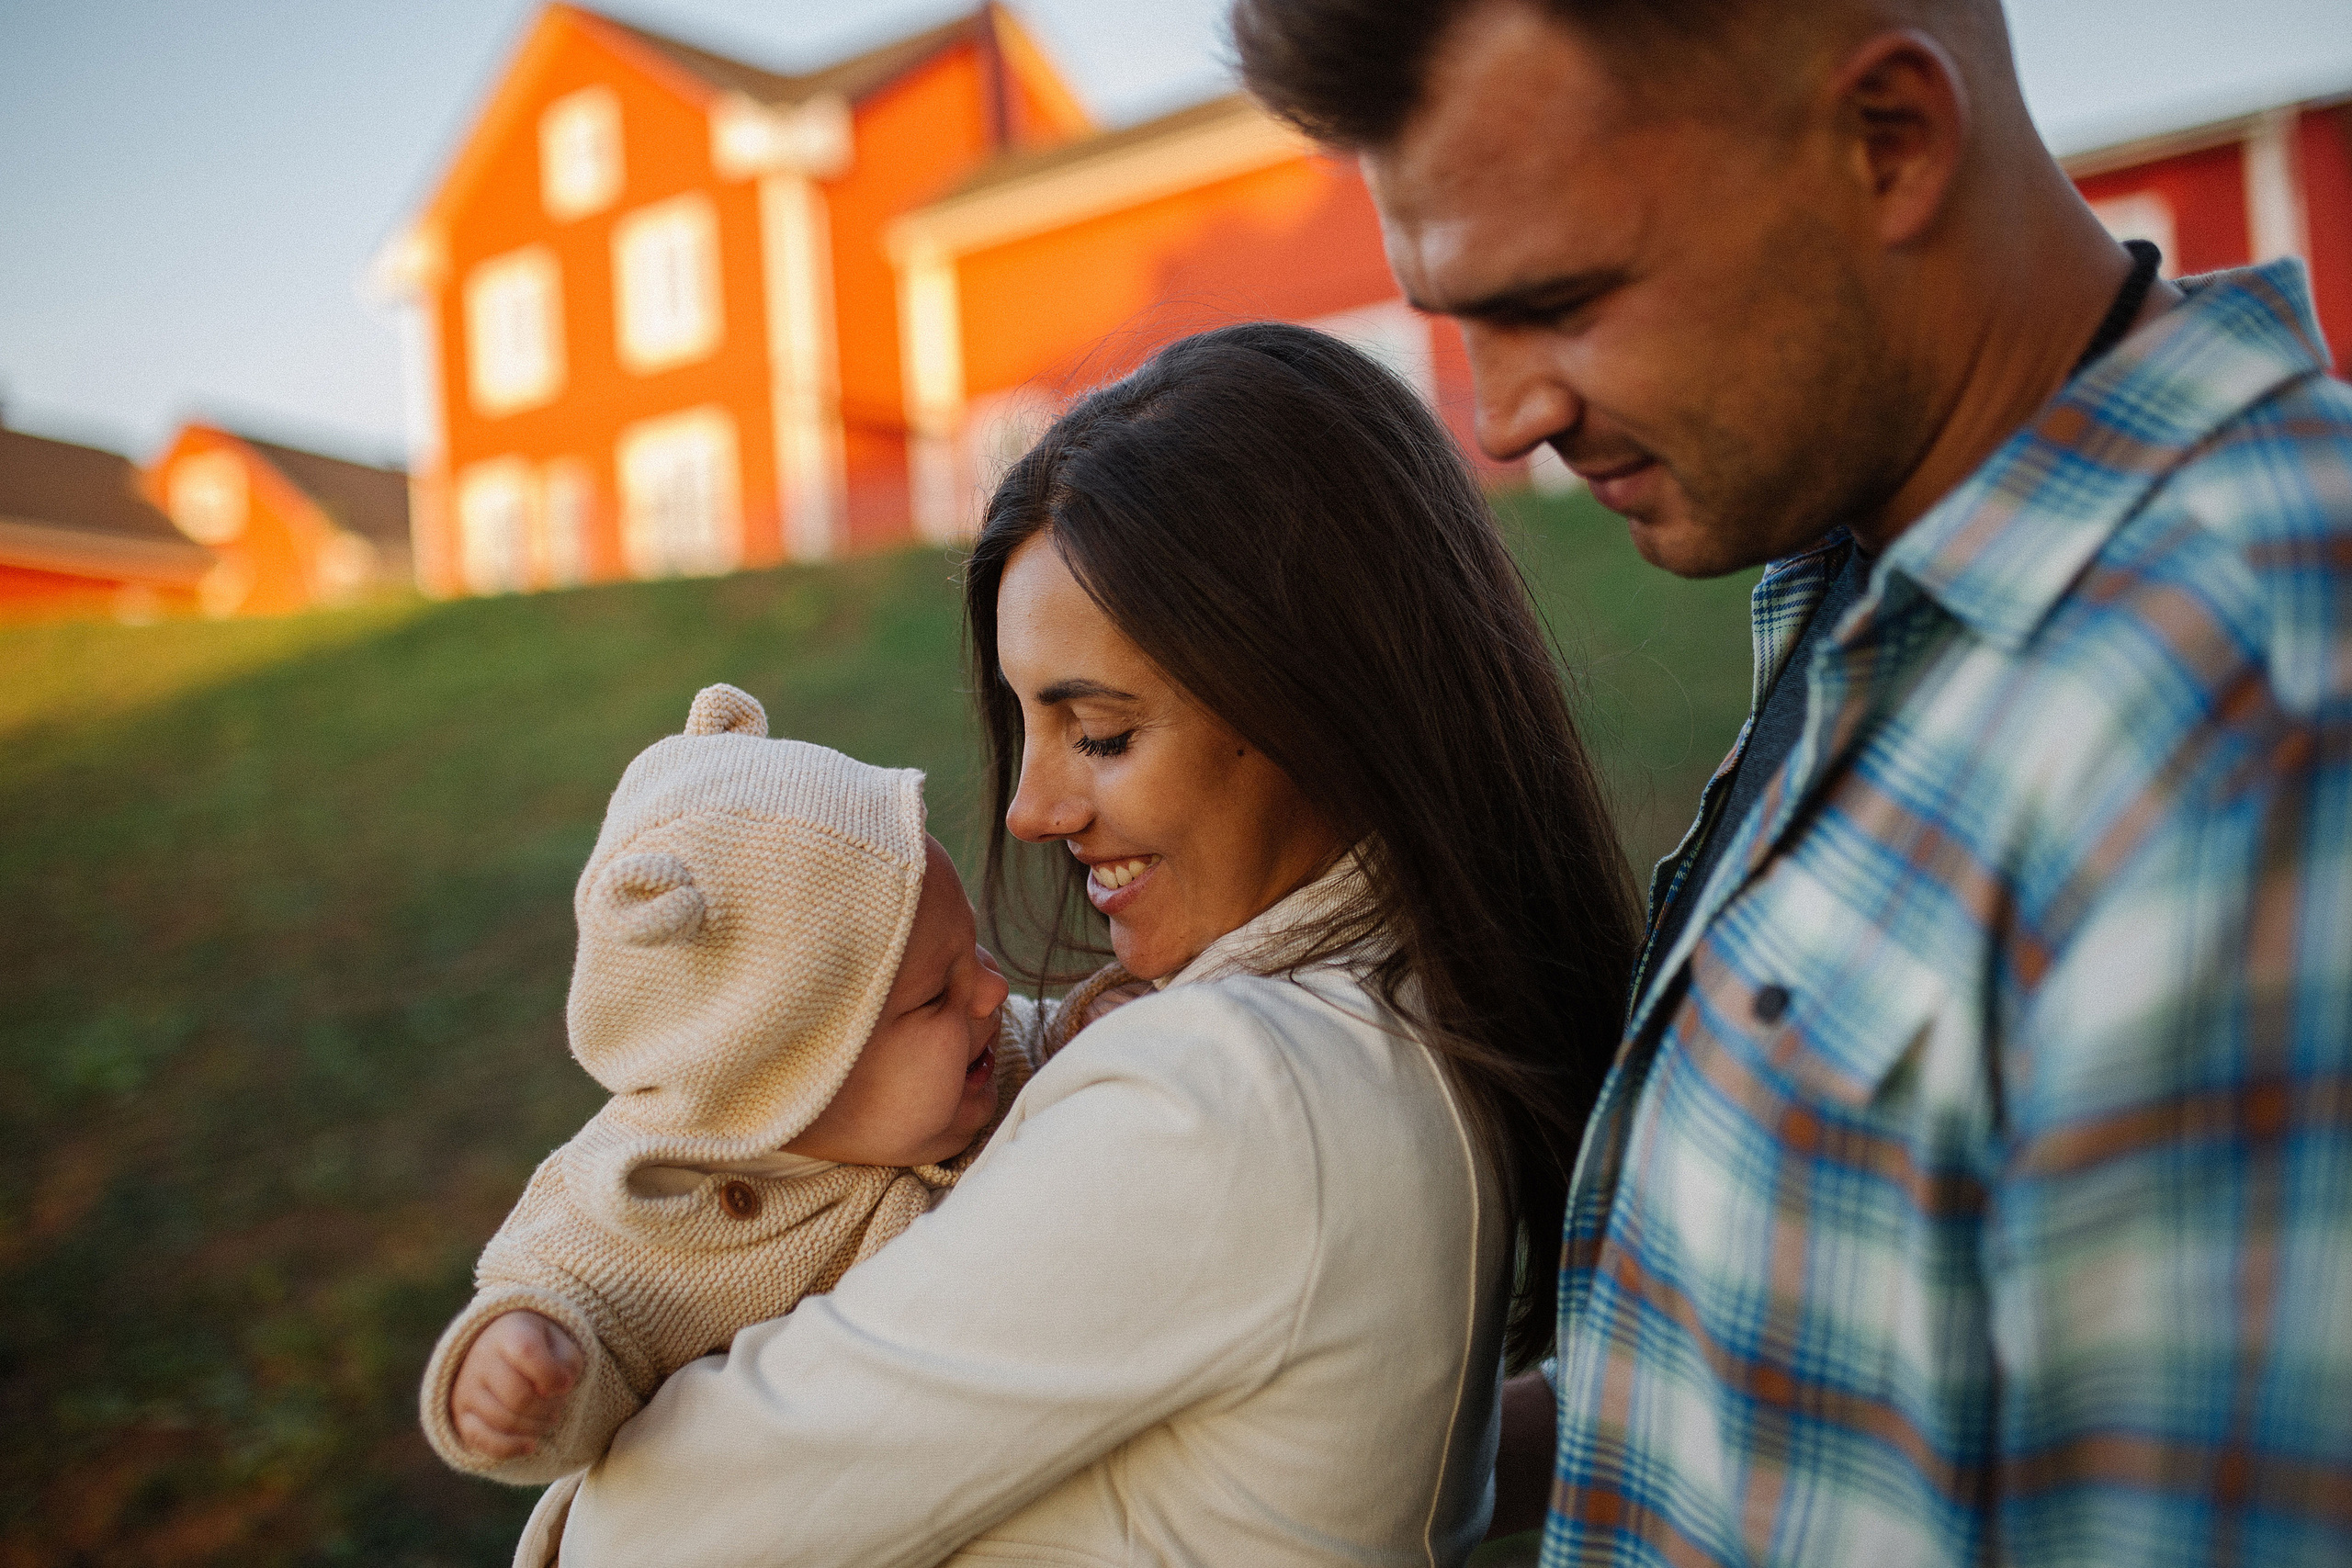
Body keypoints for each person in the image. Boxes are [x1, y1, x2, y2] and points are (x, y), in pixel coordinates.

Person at [1233, 0, 2352, 1562]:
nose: (1502, 419)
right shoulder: (1872, 577)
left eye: (1561, 299)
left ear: (1887, 139)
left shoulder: (2260, 707)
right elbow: (1796, 1401)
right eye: (1455, 320)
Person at [547, 321, 1645, 1565]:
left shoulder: (1222, 1094)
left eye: (1105, 734)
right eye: (1027, 724)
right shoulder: (1405, 1010)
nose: (1029, 810)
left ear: (1326, 697)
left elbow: (633, 1537)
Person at [418, 682, 1120, 1562]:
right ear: (787, 1073)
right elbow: (581, 1314)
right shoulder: (641, 1204)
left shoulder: (990, 1053)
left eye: (972, 949)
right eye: (936, 993)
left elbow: (1048, 1033)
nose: (990, 990)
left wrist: (1107, 1017)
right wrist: (526, 1360)